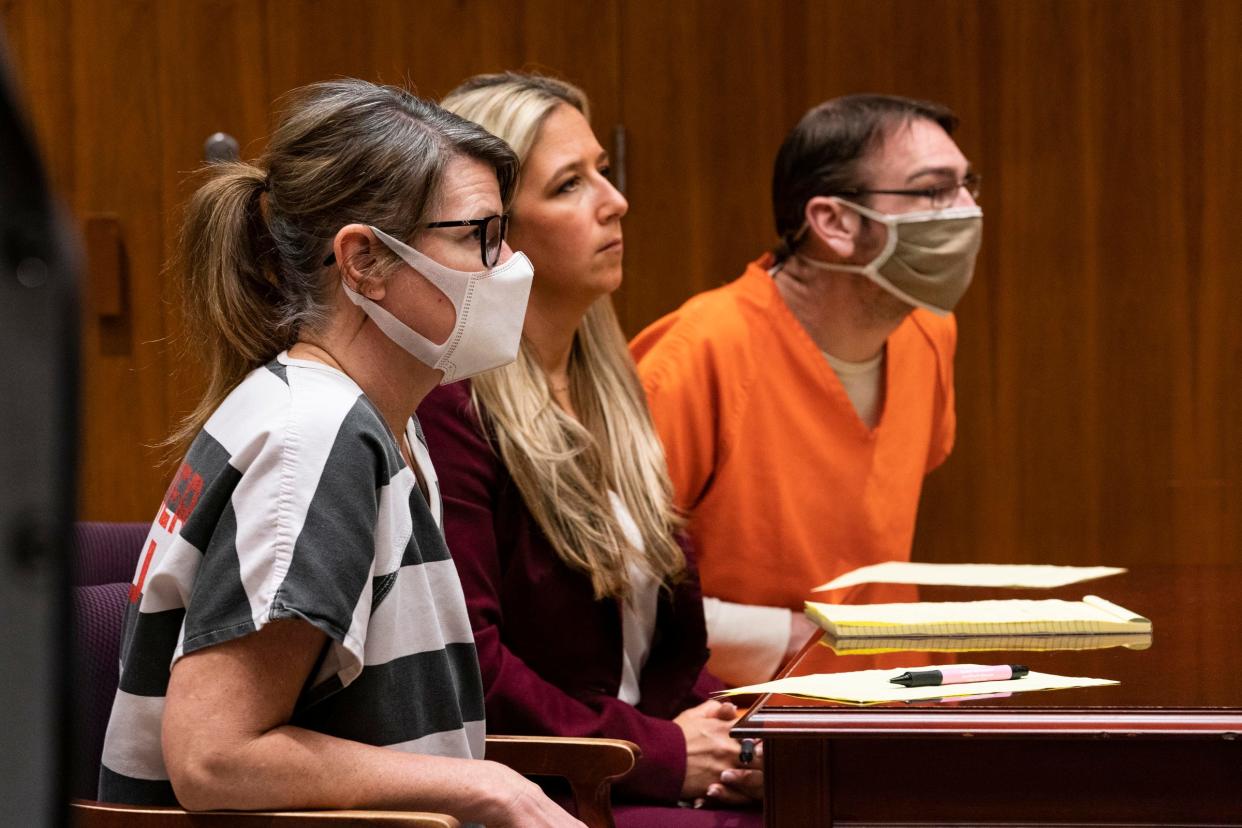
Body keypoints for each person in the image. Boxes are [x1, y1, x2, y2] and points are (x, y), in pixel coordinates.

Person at [97, 78, 582, 828]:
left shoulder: (377, 417)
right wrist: (491, 787)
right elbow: (213, 757)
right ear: (364, 261)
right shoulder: (315, 437)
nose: (509, 265)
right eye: (478, 237)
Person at [418, 72, 763, 819]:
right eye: (571, 184)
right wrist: (662, 753)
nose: (615, 200)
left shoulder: (611, 388)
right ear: (491, 230)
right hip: (547, 790)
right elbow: (470, 671)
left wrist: (739, 738)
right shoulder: (451, 409)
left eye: (603, 170)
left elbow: (650, 659)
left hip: (627, 770)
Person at [631, 94, 982, 687]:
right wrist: (779, 639)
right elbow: (610, 598)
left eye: (969, 185)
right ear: (835, 222)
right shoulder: (697, 355)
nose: (968, 210)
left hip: (894, 706)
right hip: (745, 728)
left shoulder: (929, 330)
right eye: (934, 191)